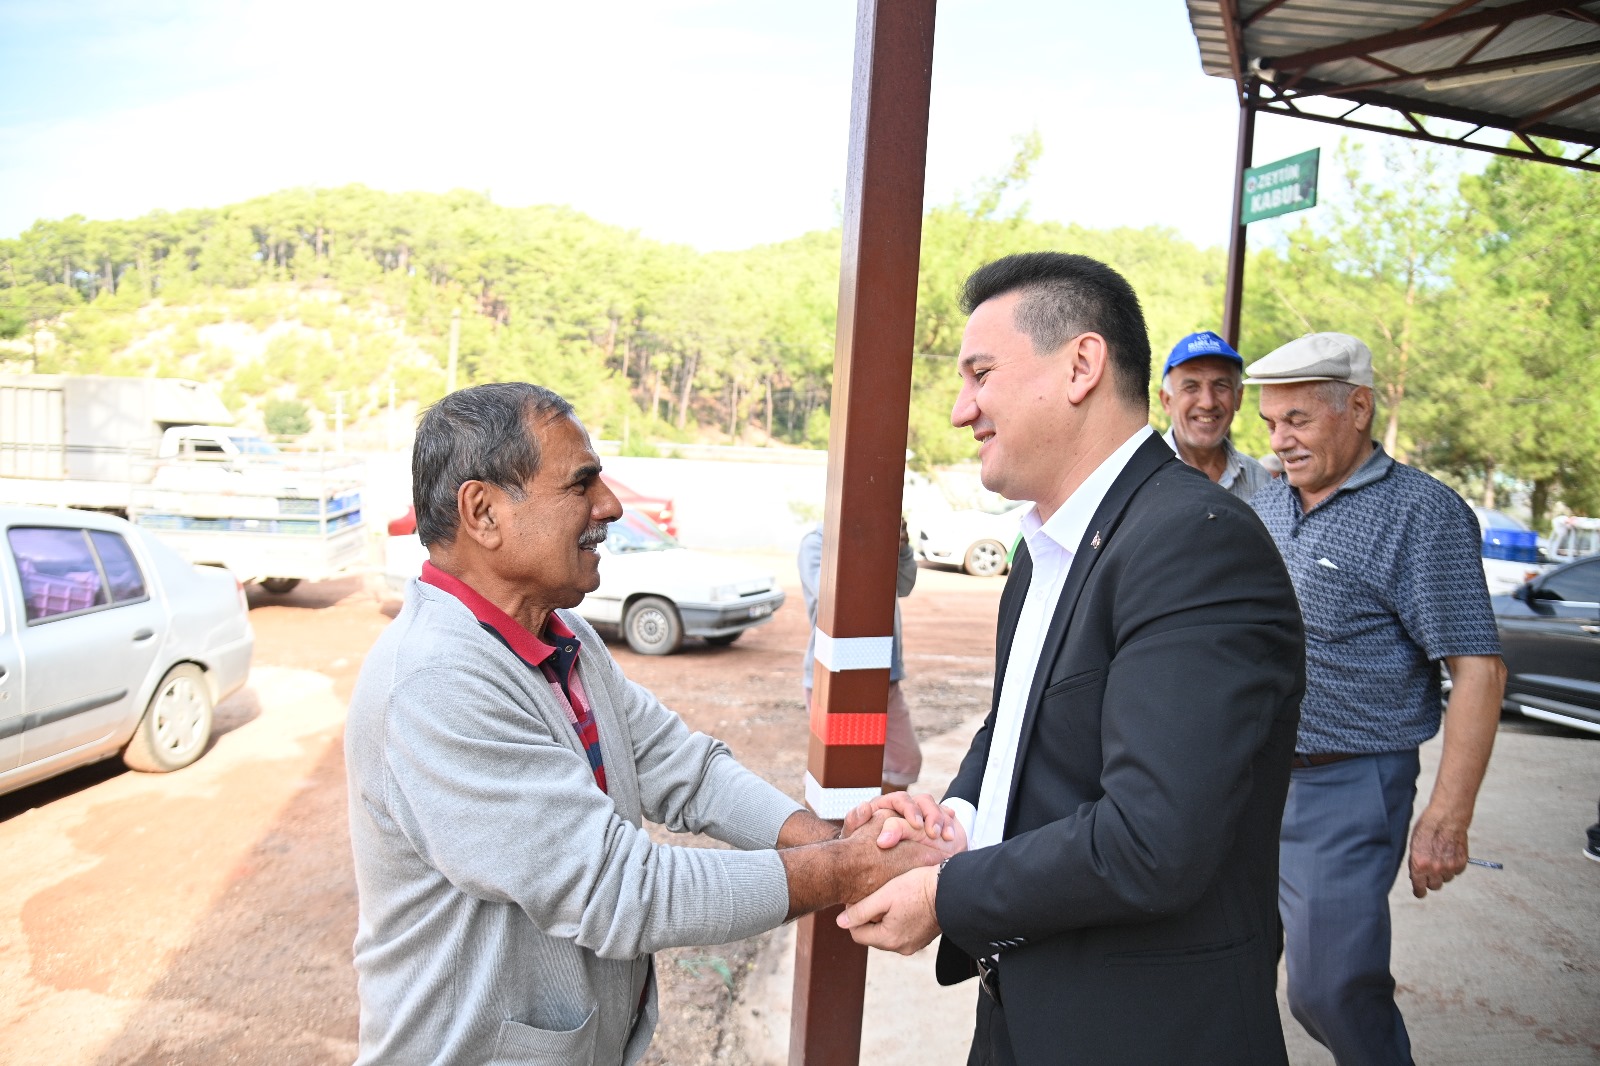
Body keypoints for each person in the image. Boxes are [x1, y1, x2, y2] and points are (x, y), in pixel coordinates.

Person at [344, 383, 954, 1066]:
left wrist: (833, 839)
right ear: (483, 512)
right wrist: (845, 869)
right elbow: (621, 891)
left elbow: (682, 769)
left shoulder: (560, 635)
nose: (608, 506)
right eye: (582, 485)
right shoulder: (436, 682)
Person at [838, 252, 1307, 1065]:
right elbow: (1018, 723)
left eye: (980, 374)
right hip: (1023, 1007)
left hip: (1145, 1029)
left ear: (1082, 365)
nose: (961, 410)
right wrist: (955, 823)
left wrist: (948, 893)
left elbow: (1153, 839)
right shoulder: (1045, 546)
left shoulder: (1195, 543)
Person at [1244, 332, 1507, 1065]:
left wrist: (1447, 818)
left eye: (1297, 419)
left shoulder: (1423, 513)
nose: (1280, 440)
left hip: (1348, 782)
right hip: (1250, 778)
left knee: (1329, 989)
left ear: (1357, 408)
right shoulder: (1269, 504)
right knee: (1229, 970)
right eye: (1270, 424)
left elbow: (1479, 672)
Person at [798, 517, 922, 791]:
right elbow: (834, 595)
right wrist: (867, 545)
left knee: (904, 763)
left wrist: (900, 549)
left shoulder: (882, 540)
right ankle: (838, 829)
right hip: (838, 679)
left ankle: (878, 824)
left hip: (884, 676)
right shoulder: (816, 543)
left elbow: (904, 586)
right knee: (839, 771)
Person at [1158, 329, 1272, 501]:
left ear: (1238, 397)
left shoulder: (1260, 482)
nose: (1207, 403)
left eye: (1221, 386)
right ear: (1167, 401)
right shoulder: (1139, 477)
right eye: (1191, 387)